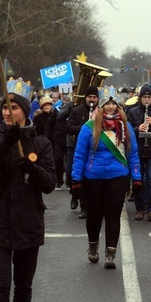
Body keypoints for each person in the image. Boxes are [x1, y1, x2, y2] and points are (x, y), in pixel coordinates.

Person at [0, 81, 56, 302]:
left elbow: (50, 184)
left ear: (24, 111)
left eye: (13, 107)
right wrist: (7, 140)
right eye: (5, 106)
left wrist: (33, 170)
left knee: (23, 287)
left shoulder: (41, 143)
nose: (7, 112)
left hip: (29, 224)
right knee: (1, 285)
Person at [71, 86, 141, 269]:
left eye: (114, 104)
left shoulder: (125, 128)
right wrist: (76, 179)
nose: (110, 107)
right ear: (101, 107)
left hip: (118, 176)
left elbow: (133, 154)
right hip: (93, 177)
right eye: (107, 104)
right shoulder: (89, 127)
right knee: (94, 215)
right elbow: (79, 154)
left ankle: (110, 253)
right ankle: (92, 246)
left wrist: (137, 177)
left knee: (113, 215)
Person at [128, 84, 151, 221]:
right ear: (140, 98)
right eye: (144, 97)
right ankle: (139, 208)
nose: (147, 100)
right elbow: (127, 130)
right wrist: (138, 129)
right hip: (137, 150)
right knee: (138, 180)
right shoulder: (132, 112)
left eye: (149, 97)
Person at [66, 85, 99, 218]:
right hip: (77, 148)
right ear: (85, 98)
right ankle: (75, 196)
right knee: (72, 174)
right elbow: (69, 128)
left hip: (94, 150)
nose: (92, 100)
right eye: (90, 97)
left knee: (88, 179)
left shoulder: (101, 112)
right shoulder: (76, 111)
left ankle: (85, 207)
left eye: (94, 97)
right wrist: (86, 127)